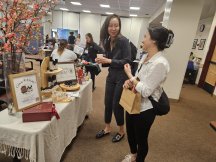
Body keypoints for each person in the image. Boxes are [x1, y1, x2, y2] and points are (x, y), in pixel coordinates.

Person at [122, 26, 174, 162]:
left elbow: (146, 91)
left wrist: (129, 75)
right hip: (133, 100)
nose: (143, 39)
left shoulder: (160, 63)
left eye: (146, 36)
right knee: (131, 133)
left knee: (141, 138)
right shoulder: (145, 56)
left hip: (146, 108)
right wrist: (130, 81)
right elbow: (140, 79)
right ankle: (133, 156)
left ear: (154, 41)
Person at [95, 14, 131, 142]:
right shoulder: (107, 40)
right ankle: (107, 127)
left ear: (120, 27)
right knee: (107, 102)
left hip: (122, 76)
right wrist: (101, 60)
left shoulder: (124, 41)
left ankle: (121, 131)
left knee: (117, 105)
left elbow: (127, 61)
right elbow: (109, 61)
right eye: (111, 25)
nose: (113, 28)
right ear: (107, 27)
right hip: (111, 75)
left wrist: (108, 60)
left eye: (116, 25)